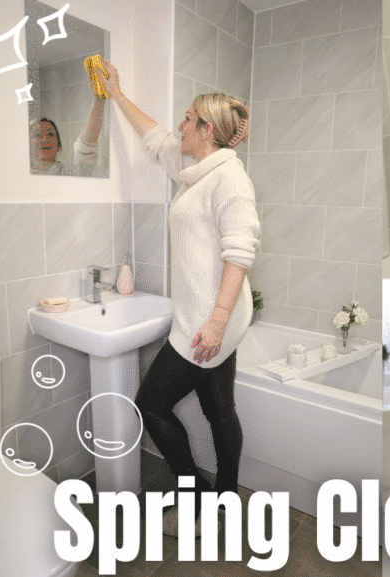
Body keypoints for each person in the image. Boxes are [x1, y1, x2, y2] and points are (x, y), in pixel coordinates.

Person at [96, 58, 260, 534]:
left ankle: (194, 491)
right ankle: (223, 497)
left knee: (150, 404)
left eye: (189, 118)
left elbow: (240, 253)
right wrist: (118, 94)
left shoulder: (230, 179)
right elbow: (158, 139)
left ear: (207, 130)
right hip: (206, 315)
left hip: (212, 320)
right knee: (218, 409)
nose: (181, 124)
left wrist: (215, 322)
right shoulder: (198, 170)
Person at [30, 88, 105, 176]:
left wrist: (99, 98)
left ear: (58, 146)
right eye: (38, 135)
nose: (45, 139)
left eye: (50, 134)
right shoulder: (18, 174)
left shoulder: (69, 173)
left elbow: (85, 149)